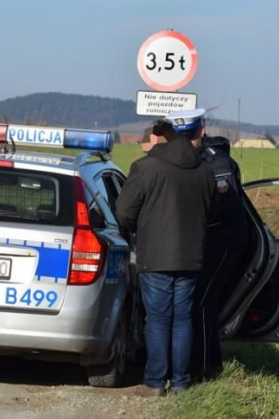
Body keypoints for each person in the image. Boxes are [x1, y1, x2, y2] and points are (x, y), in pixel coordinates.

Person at [116, 109, 214, 397]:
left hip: (155, 255)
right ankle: (182, 383)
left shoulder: (145, 167)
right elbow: (212, 213)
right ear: (200, 133)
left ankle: (155, 382)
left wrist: (140, 229)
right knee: (183, 319)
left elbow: (124, 212)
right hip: (191, 257)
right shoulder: (206, 171)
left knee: (157, 319)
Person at [191, 133, 250, 379]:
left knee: (203, 303)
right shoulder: (218, 160)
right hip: (222, 240)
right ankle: (209, 363)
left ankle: (205, 367)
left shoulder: (219, 163)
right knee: (207, 303)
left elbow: (224, 205)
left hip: (222, 241)